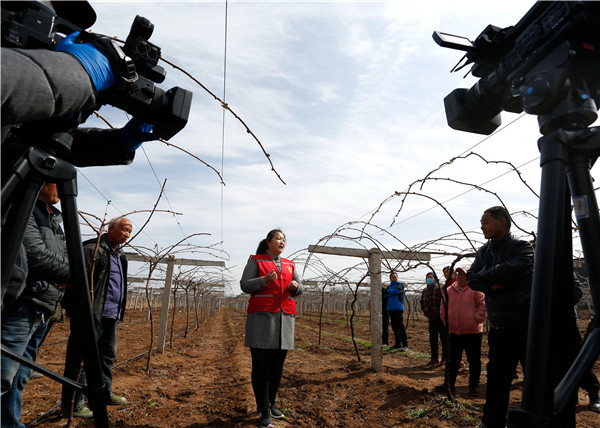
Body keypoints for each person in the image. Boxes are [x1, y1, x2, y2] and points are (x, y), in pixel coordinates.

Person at [1, 183, 69, 427]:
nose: (61, 187)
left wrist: (64, 275)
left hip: (42, 309)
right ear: (40, 183)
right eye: (55, 181)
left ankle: (9, 422)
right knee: (3, 373)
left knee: (20, 374)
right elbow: (36, 256)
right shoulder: (25, 210)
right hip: (23, 304)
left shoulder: (54, 220)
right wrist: (71, 276)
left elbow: (63, 258)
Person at [466, 206, 533, 428]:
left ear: (502, 222)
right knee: (496, 380)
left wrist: (486, 279)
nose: (482, 226)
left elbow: (512, 269)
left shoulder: (521, 247)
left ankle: (541, 420)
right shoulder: (484, 251)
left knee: (537, 379)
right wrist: (493, 282)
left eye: (485, 221)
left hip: (526, 325)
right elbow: (471, 278)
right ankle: (492, 423)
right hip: (499, 327)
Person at [61, 217, 132, 418]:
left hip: (111, 315)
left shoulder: (119, 254)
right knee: (81, 360)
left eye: (129, 232)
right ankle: (74, 404)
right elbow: (73, 279)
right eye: (124, 230)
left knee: (106, 357)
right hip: (92, 315)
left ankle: (103, 394)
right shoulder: (93, 251)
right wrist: (79, 310)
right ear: (110, 230)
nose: (127, 235)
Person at [240, 229, 303, 428]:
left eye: (284, 239)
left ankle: (272, 402)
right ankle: (263, 408)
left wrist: (295, 286)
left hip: (284, 319)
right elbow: (245, 284)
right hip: (261, 318)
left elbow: (301, 287)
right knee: (261, 367)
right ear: (268, 242)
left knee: (277, 366)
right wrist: (264, 280)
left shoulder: (290, 265)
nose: (282, 241)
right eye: (278, 238)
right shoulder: (256, 261)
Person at [438, 265, 486, 397]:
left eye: (464, 275)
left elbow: (482, 306)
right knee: (452, 360)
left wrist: (476, 319)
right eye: (459, 274)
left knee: (474, 361)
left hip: (473, 332)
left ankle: (474, 387)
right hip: (454, 332)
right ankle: (450, 385)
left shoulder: (476, 290)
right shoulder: (448, 290)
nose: (461, 277)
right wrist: (447, 321)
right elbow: (443, 307)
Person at [420, 272, 448, 365]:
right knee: (433, 339)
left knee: (444, 339)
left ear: (435, 279)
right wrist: (426, 313)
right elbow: (422, 303)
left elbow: (444, 302)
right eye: (428, 278)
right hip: (431, 318)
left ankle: (444, 358)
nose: (429, 279)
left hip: (440, 318)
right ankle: (434, 358)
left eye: (431, 278)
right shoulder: (425, 291)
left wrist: (442, 314)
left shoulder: (439, 289)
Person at [385, 272, 408, 351]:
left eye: (395, 277)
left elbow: (396, 291)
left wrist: (390, 292)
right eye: (392, 277)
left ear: (397, 278)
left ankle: (405, 344)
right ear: (390, 278)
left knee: (401, 326)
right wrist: (392, 292)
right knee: (394, 327)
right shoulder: (389, 287)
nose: (394, 278)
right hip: (391, 308)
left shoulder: (401, 285)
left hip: (398, 308)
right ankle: (398, 344)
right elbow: (385, 294)